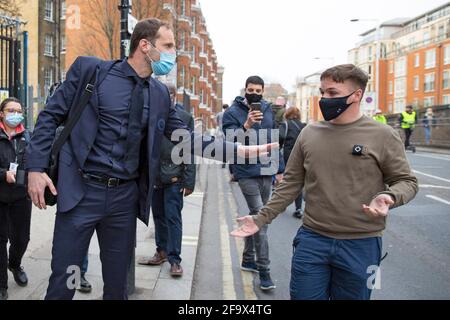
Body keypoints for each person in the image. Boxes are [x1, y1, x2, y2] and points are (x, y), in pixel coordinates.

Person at [25, 18, 275, 300]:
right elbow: (49, 116)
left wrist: (237, 150)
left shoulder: (159, 95)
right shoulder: (91, 71)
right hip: (81, 193)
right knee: (65, 280)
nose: (173, 54)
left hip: (123, 199)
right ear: (145, 45)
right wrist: (35, 167)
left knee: (118, 286)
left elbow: (186, 138)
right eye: (168, 46)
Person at [231, 64, 418, 300]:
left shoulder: (383, 135)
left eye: (332, 93)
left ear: (357, 95)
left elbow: (407, 181)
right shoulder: (309, 133)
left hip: (362, 245)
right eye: (322, 92)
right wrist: (260, 218)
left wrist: (390, 197)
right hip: (312, 241)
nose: (324, 99)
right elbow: (289, 185)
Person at [223, 76, 284, 291]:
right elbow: (230, 144)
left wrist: (280, 169)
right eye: (251, 89)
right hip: (246, 171)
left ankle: (248, 258)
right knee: (260, 219)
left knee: (256, 217)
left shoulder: (268, 110)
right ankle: (264, 271)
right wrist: (246, 124)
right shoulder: (232, 113)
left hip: (267, 169)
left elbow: (274, 140)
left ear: (263, 91)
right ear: (245, 89)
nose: (254, 93)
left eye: (258, 90)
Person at [138, 84, 196, 277]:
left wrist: (189, 180)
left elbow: (189, 149)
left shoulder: (185, 117)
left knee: (173, 218)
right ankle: (161, 251)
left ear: (173, 96)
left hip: (175, 177)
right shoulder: (149, 114)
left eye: (169, 95)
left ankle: (175, 260)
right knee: (158, 217)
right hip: (154, 177)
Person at [0, 98, 32, 300]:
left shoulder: (27, 135)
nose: (15, 113)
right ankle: (2, 285)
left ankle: (14, 264)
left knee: (21, 239)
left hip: (21, 195)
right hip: (0, 196)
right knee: (0, 241)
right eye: (11, 110)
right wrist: (3, 174)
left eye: (19, 110)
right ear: (1, 113)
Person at [279, 107, 306, 219]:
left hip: (288, 157)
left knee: (286, 181)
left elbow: (279, 138)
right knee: (298, 182)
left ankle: (282, 205)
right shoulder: (304, 126)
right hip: (303, 156)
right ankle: (298, 208)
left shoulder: (285, 125)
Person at [215, 104, 229, 168]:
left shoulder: (219, 114)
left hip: (220, 131)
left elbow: (216, 122)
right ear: (228, 107)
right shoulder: (229, 113)